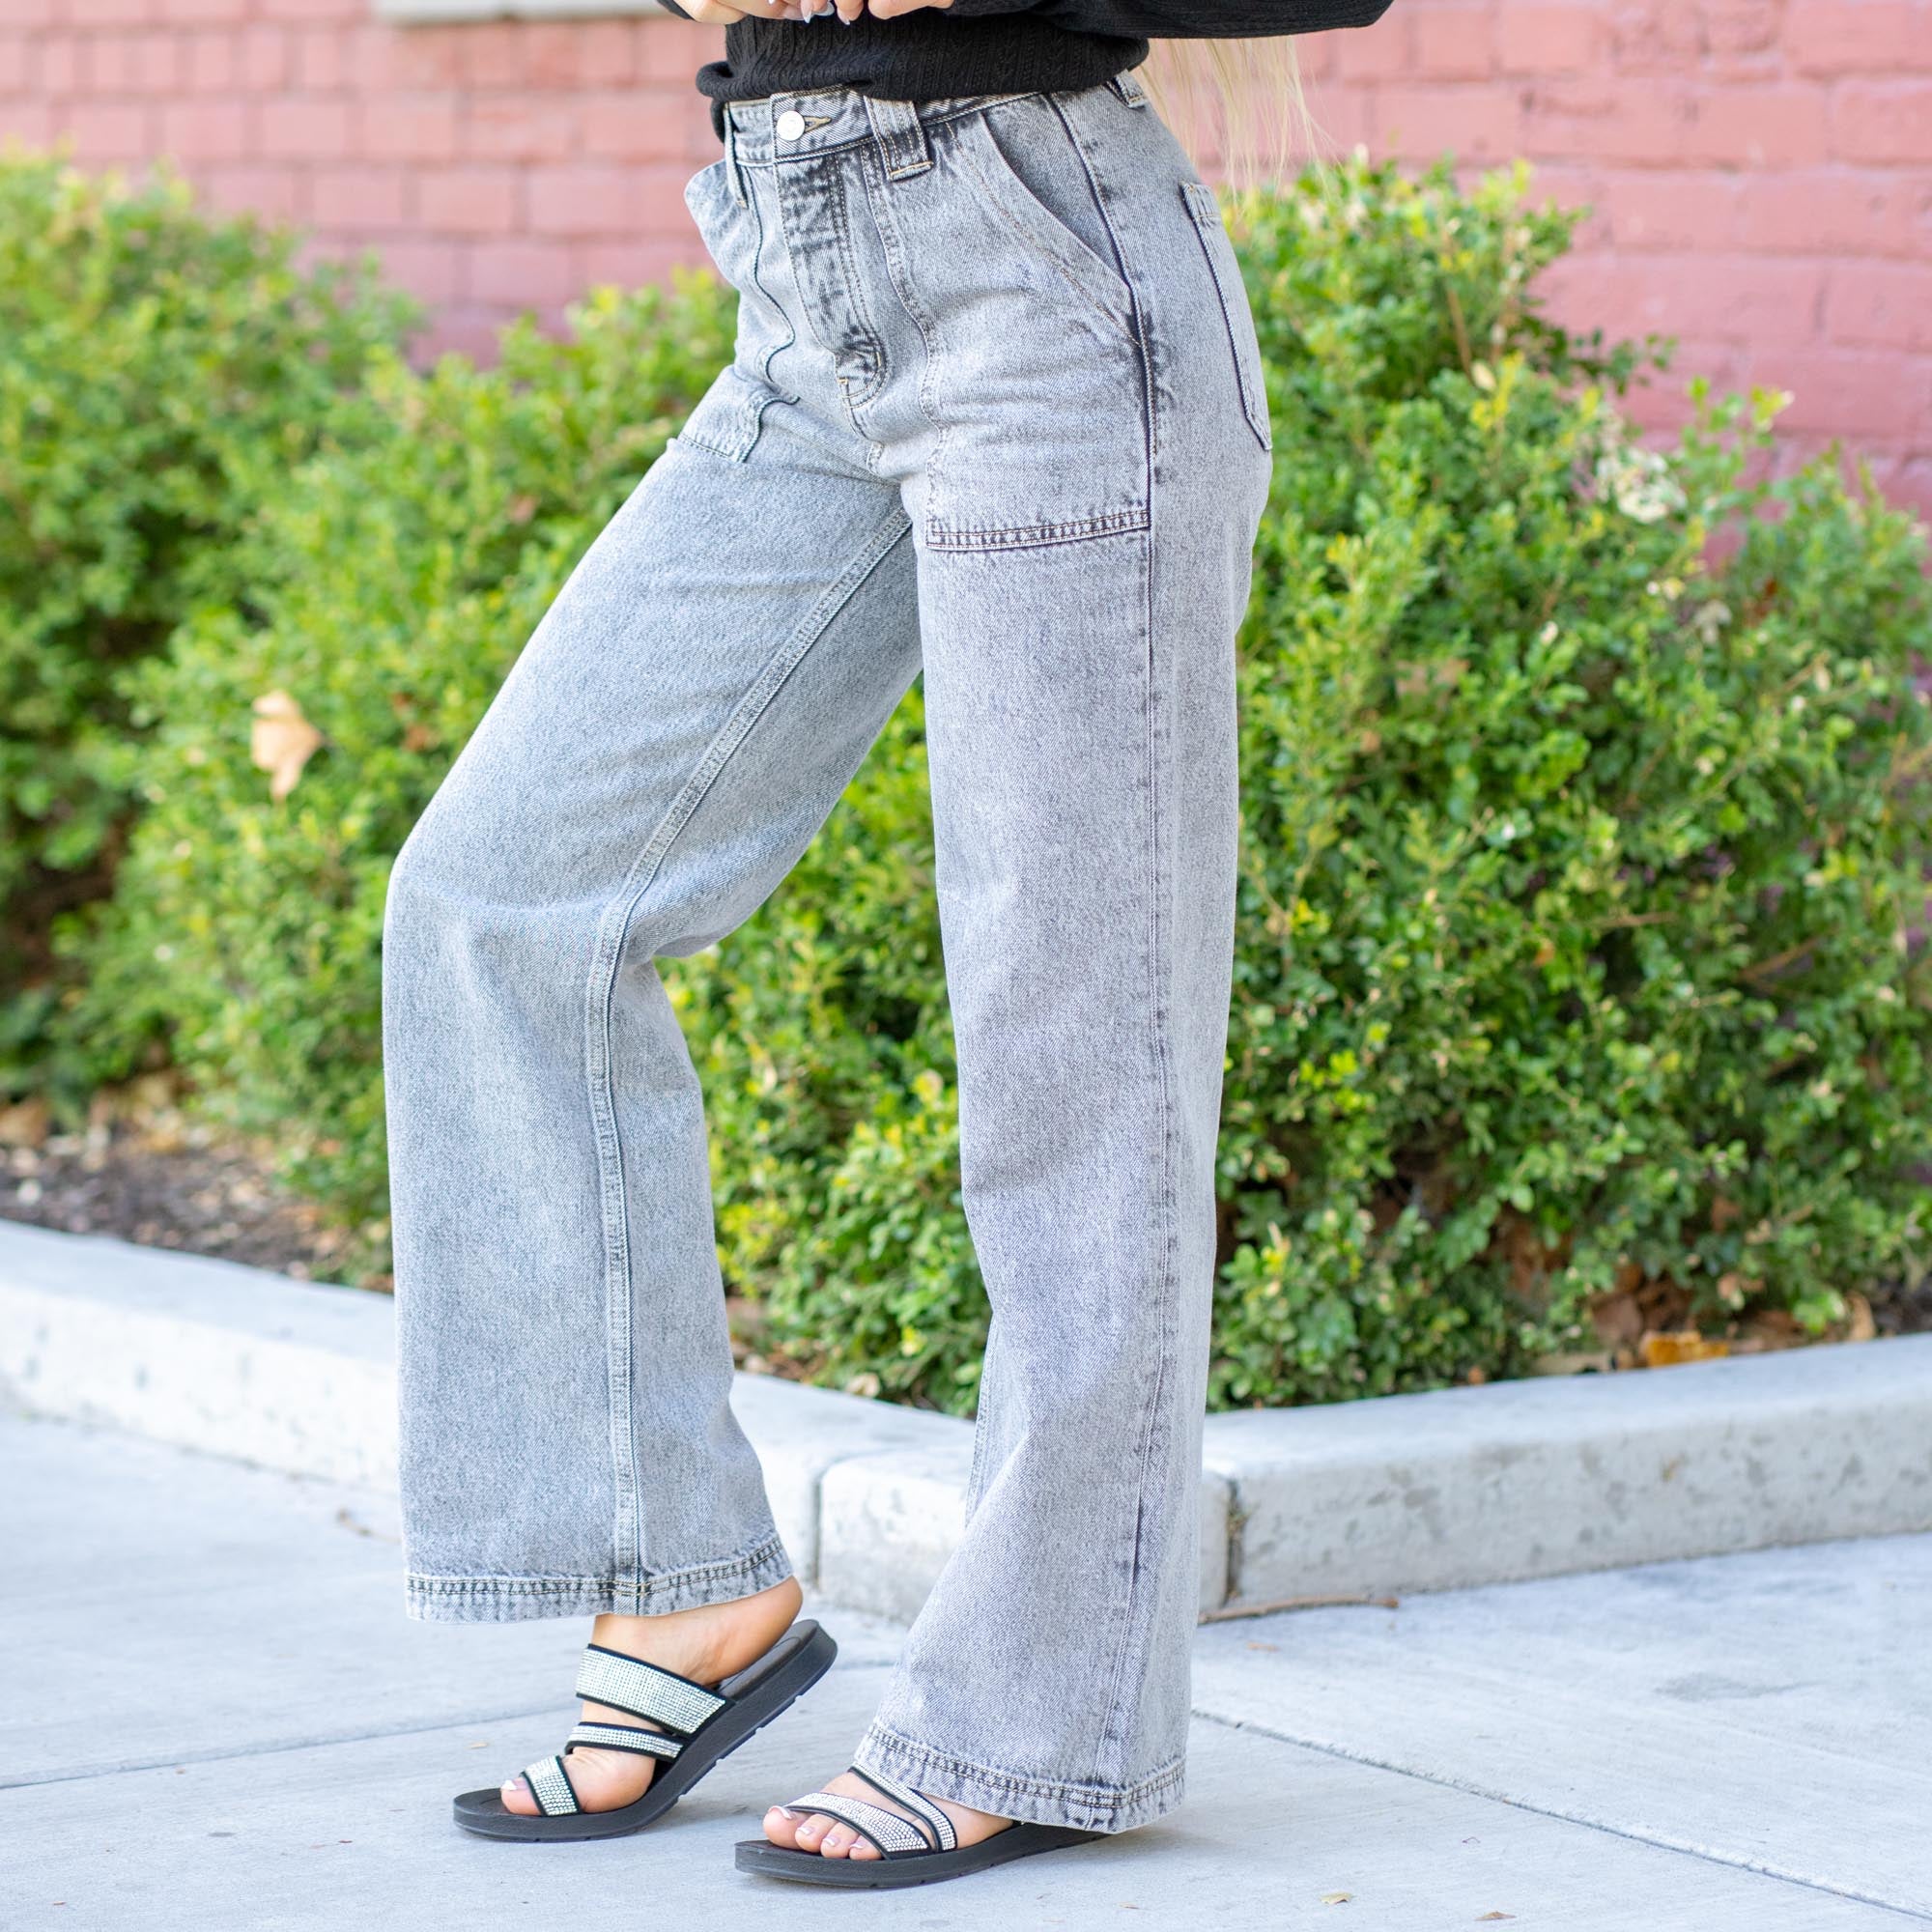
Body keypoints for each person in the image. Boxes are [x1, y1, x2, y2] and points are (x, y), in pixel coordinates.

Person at [382, 0, 1388, 1890]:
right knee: (501, 901)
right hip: (801, 287)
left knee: (1075, 1045)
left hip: (1046, 291)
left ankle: (1032, 1717)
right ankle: (680, 1578)